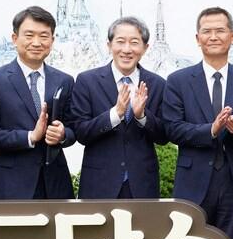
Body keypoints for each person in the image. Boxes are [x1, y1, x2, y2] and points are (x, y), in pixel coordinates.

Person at [162, 7, 233, 239]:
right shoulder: (178, 81)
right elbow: (172, 129)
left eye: (220, 30)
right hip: (194, 181)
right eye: (207, 31)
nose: (213, 36)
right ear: (197, 38)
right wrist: (212, 129)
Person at [68, 16, 168, 199]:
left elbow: (164, 136)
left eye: (134, 43)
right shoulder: (87, 81)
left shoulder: (158, 84)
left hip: (141, 184)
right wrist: (115, 114)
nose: (127, 49)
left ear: (145, 48)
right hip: (99, 182)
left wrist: (142, 116)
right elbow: (80, 132)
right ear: (109, 45)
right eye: (120, 42)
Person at [0, 5, 76, 199]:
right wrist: (30, 137)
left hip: (54, 184)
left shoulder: (64, 81)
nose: (36, 42)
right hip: (9, 184)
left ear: (52, 40)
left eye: (44, 36)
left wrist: (62, 134)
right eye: (29, 35)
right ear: (15, 39)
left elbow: (74, 127)